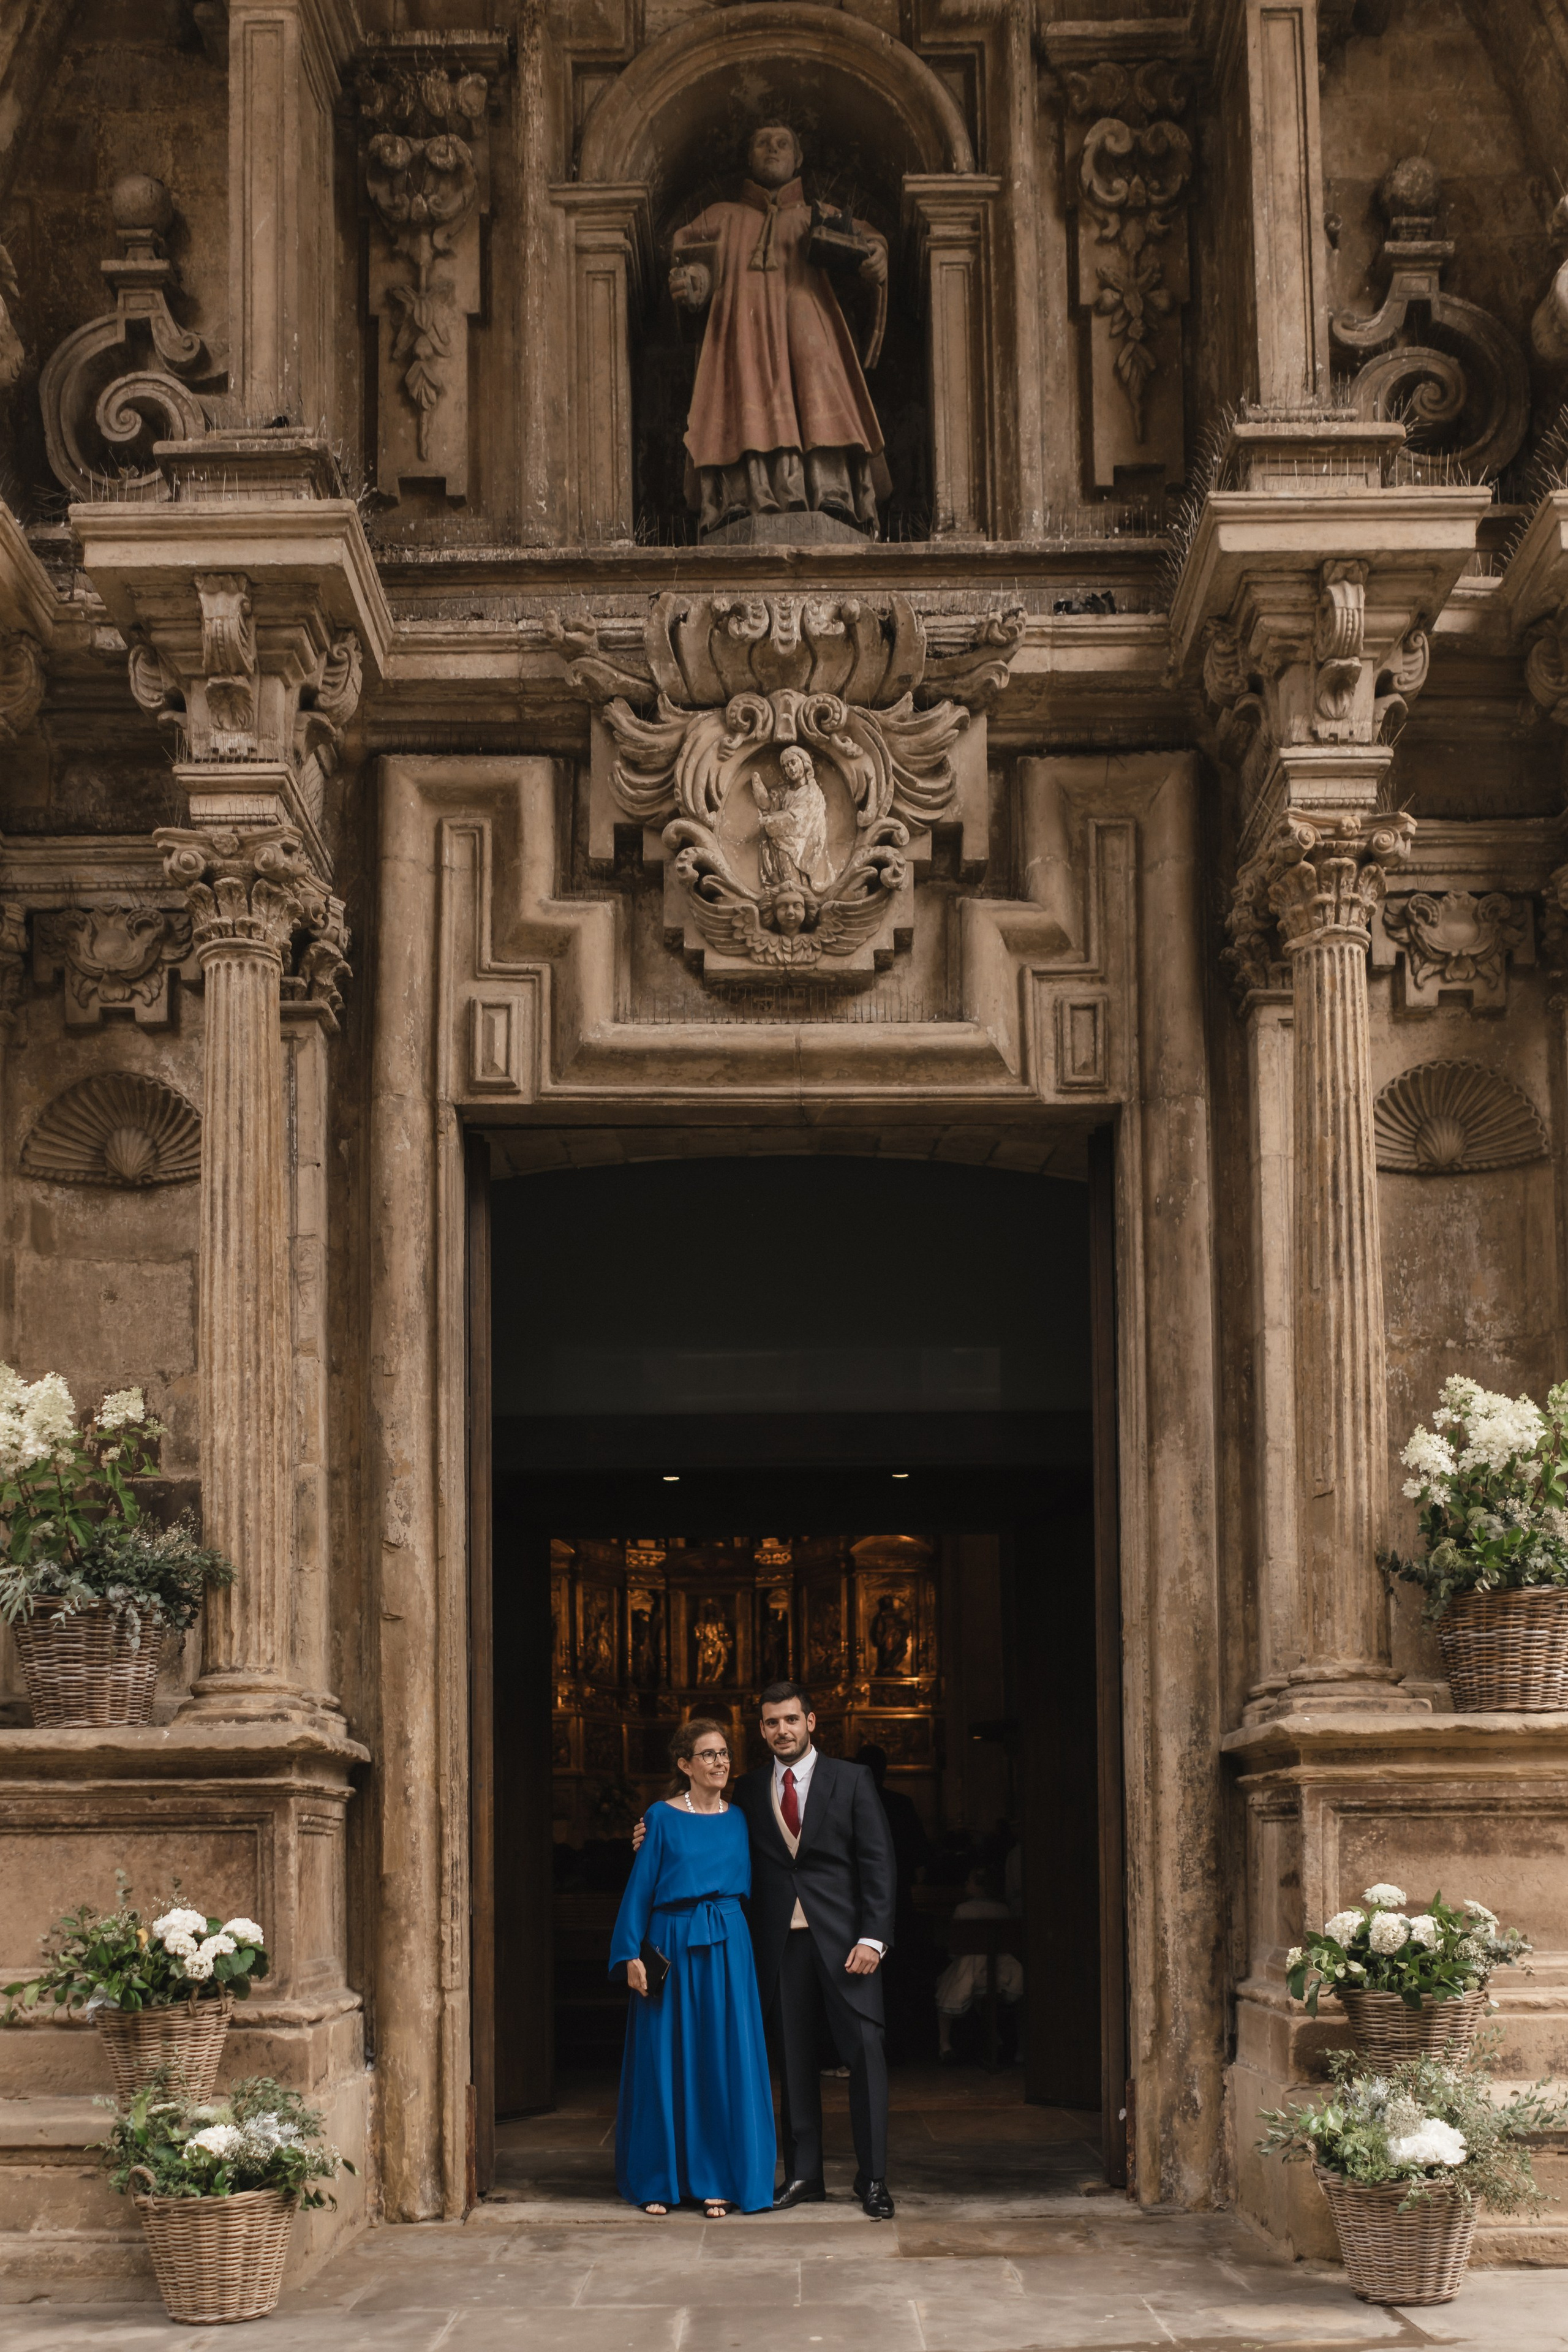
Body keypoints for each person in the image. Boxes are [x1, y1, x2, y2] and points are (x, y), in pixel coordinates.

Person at [631, 1679, 897, 2218]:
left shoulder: (852, 1780)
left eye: (791, 1720)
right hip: (777, 1945)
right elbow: (697, 1832)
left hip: (849, 1945)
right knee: (793, 2062)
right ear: (762, 1730)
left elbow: (879, 1862)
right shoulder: (747, 1791)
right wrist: (646, 1836)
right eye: (772, 1723)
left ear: (811, 1722)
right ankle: (805, 2176)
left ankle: (872, 2180)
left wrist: (875, 1937)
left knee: (864, 2054)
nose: (782, 1730)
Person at [669, 121, 891, 535]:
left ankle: (832, 491)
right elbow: (690, 256)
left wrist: (876, 257)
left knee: (818, 377)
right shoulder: (721, 217)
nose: (772, 149)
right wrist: (694, 280)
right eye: (762, 143)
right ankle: (740, 497)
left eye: (783, 143)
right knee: (742, 389)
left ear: (799, 159)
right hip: (740, 324)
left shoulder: (817, 215)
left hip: (805, 313)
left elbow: (868, 242)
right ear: (748, 157)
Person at [608, 1717, 775, 2215]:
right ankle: (659, 2180)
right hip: (672, 1943)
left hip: (728, 1945)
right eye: (708, 1754)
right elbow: (640, 1888)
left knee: (722, 2059)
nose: (721, 1762)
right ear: (685, 1765)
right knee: (665, 2058)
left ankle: (718, 2177)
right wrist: (630, 1954)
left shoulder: (741, 1818)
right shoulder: (659, 1817)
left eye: (724, 1753)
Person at [935, 1864, 1024, 2064]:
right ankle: (1001, 2040)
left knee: (946, 1987)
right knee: (988, 1996)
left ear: (981, 1887)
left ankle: (945, 2044)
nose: (966, 1884)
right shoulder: (1003, 1908)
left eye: (970, 1881)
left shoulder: (963, 1909)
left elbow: (956, 1947)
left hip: (972, 1970)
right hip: (1002, 1970)